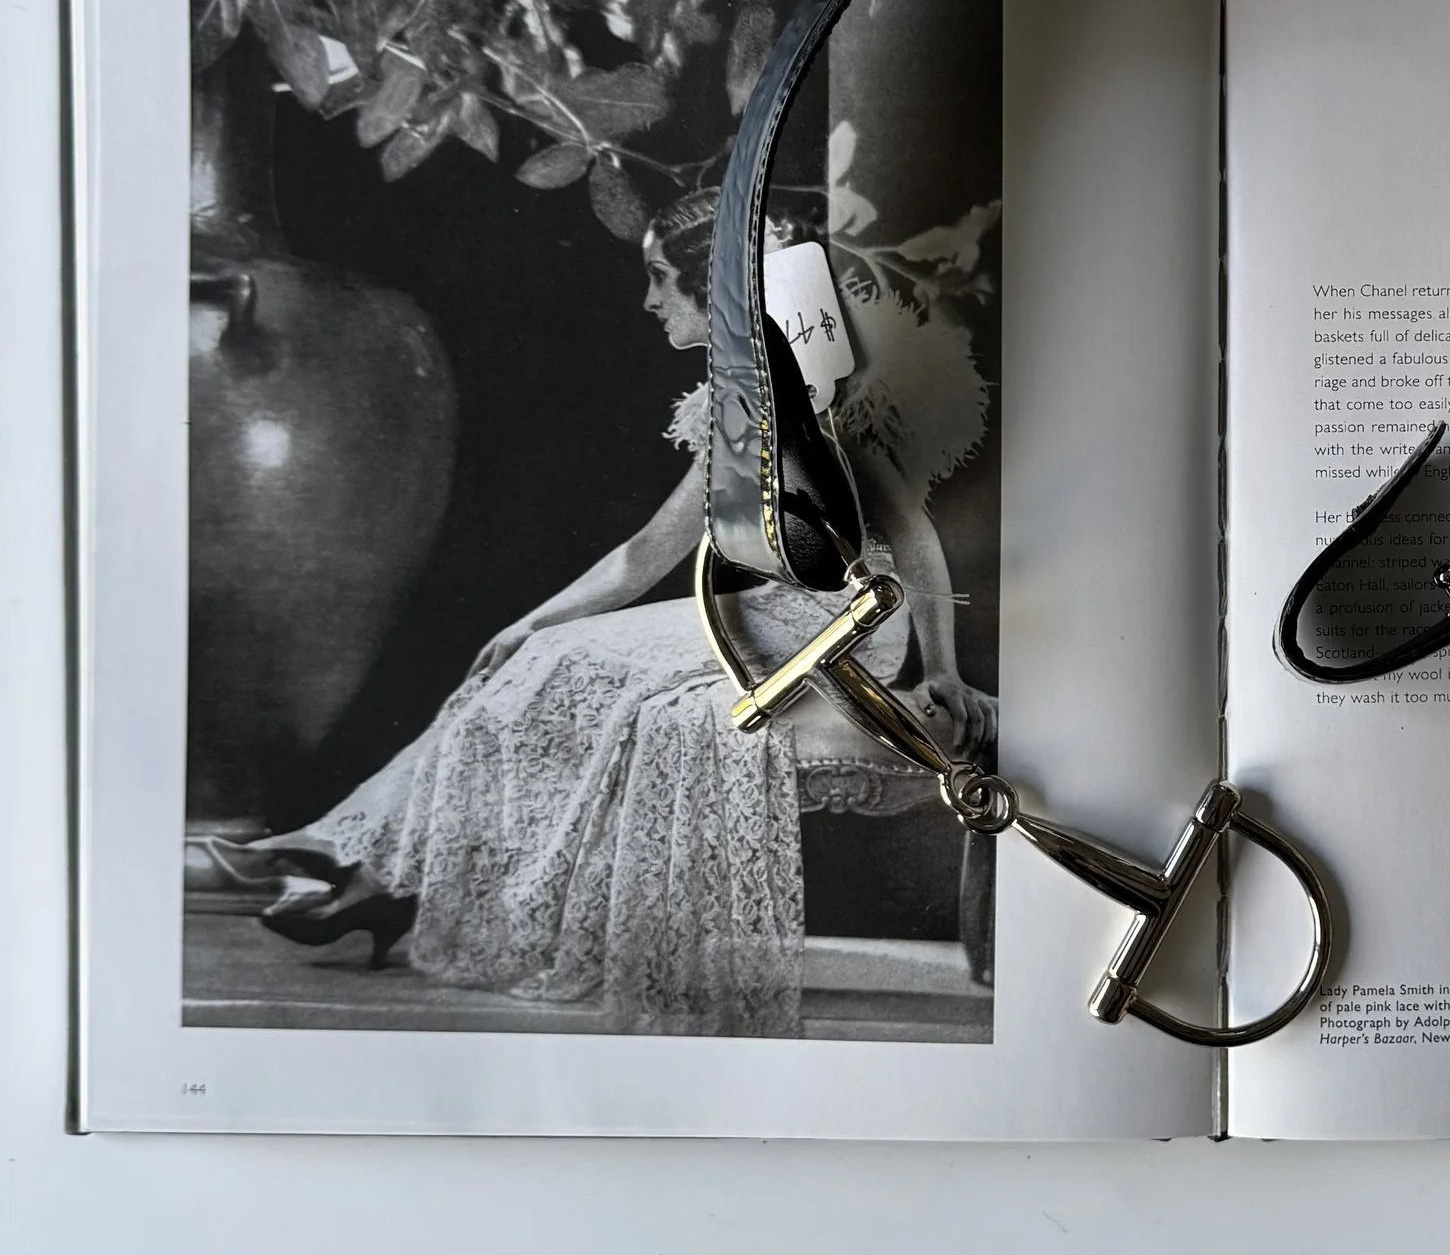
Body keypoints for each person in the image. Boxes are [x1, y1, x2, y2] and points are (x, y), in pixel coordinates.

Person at [237, 194, 995, 1034]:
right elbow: (646, 553)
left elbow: (915, 539)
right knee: (533, 660)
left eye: (659, 280)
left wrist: (944, 668)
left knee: (554, 669)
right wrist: (532, 621)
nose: (647, 301)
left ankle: (369, 870)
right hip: (770, 614)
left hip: (850, 633)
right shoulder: (736, 404)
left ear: (713, 290)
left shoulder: (822, 399)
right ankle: (374, 875)